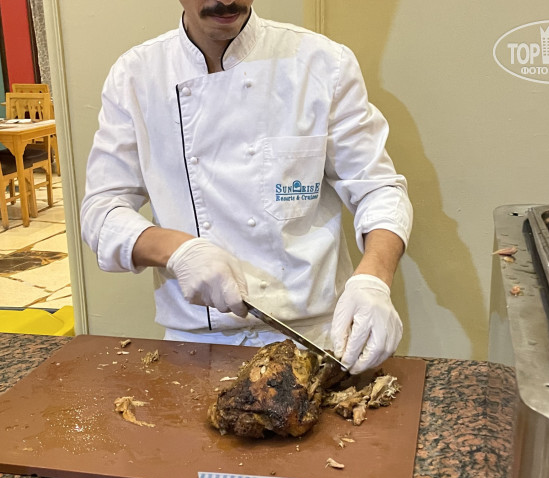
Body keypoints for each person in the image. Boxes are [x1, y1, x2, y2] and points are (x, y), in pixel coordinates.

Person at [80, 0, 413, 374]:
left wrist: (373, 279)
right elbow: (100, 212)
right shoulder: (136, 76)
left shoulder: (323, 63)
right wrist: (176, 249)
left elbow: (378, 188)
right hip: (195, 350)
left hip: (316, 342)